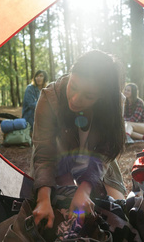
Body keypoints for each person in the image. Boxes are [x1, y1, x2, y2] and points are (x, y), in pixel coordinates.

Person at [31, 50, 127, 229]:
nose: (75, 99)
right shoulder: (49, 98)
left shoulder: (114, 103)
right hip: (59, 161)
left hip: (97, 164)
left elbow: (104, 153)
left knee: (118, 210)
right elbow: (44, 153)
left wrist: (85, 188)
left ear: (102, 96)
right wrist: (43, 199)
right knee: (64, 211)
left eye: (88, 96)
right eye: (73, 86)